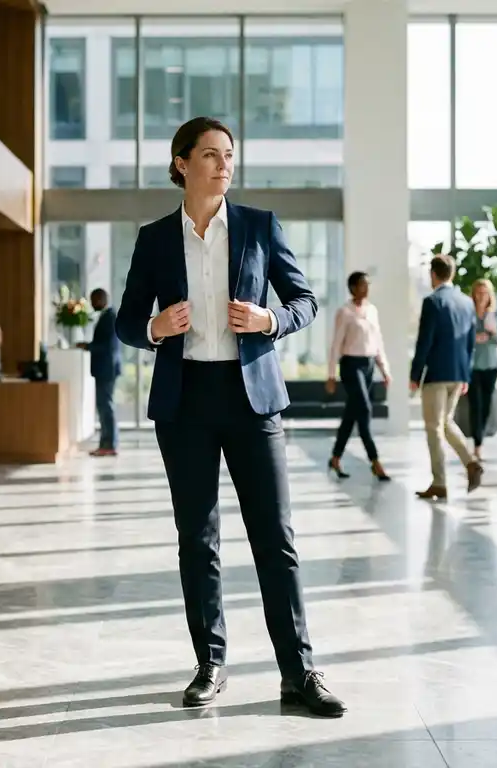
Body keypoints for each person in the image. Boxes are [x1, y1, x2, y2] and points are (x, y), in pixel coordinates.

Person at [115, 116, 346, 718]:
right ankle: (210, 664)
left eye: (229, 156)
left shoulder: (259, 227)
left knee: (276, 539)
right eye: (211, 155)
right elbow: (125, 320)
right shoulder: (155, 238)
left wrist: (269, 321)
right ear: (181, 163)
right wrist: (153, 329)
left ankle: (298, 672)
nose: (224, 165)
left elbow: (305, 301)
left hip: (253, 401)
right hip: (184, 401)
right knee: (199, 539)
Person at [408, 254, 484, 500]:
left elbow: (425, 342)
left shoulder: (433, 302)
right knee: (446, 422)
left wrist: (415, 374)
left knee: (434, 428)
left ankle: (439, 483)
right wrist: (466, 375)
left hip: (437, 374)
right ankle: (471, 463)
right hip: (458, 373)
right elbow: (471, 343)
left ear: (433, 274)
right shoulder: (466, 302)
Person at [325, 271, 391, 481]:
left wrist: (385, 370)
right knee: (364, 409)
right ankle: (375, 461)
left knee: (351, 415)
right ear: (353, 288)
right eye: (363, 285)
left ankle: (335, 457)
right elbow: (336, 344)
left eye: (368, 284)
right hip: (351, 365)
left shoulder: (373, 310)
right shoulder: (344, 312)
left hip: (369, 364)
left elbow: (377, 342)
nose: (367, 288)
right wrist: (331, 374)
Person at [78, 288, 122, 456]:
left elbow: (107, 346)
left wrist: (88, 346)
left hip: (107, 369)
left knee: (105, 407)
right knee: (104, 406)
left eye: (93, 300)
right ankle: (106, 443)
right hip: (105, 369)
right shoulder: (107, 316)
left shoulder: (110, 317)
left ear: (101, 299)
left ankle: (109, 444)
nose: (91, 304)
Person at [469, 279, 497, 461]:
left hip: (491, 367)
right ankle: (477, 445)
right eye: (479, 293)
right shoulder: (469, 314)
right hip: (473, 367)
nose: (482, 296)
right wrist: (475, 338)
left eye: (485, 293)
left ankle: (479, 440)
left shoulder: (496, 314)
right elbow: (462, 338)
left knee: (486, 407)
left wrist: (492, 333)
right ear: (474, 294)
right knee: (476, 406)